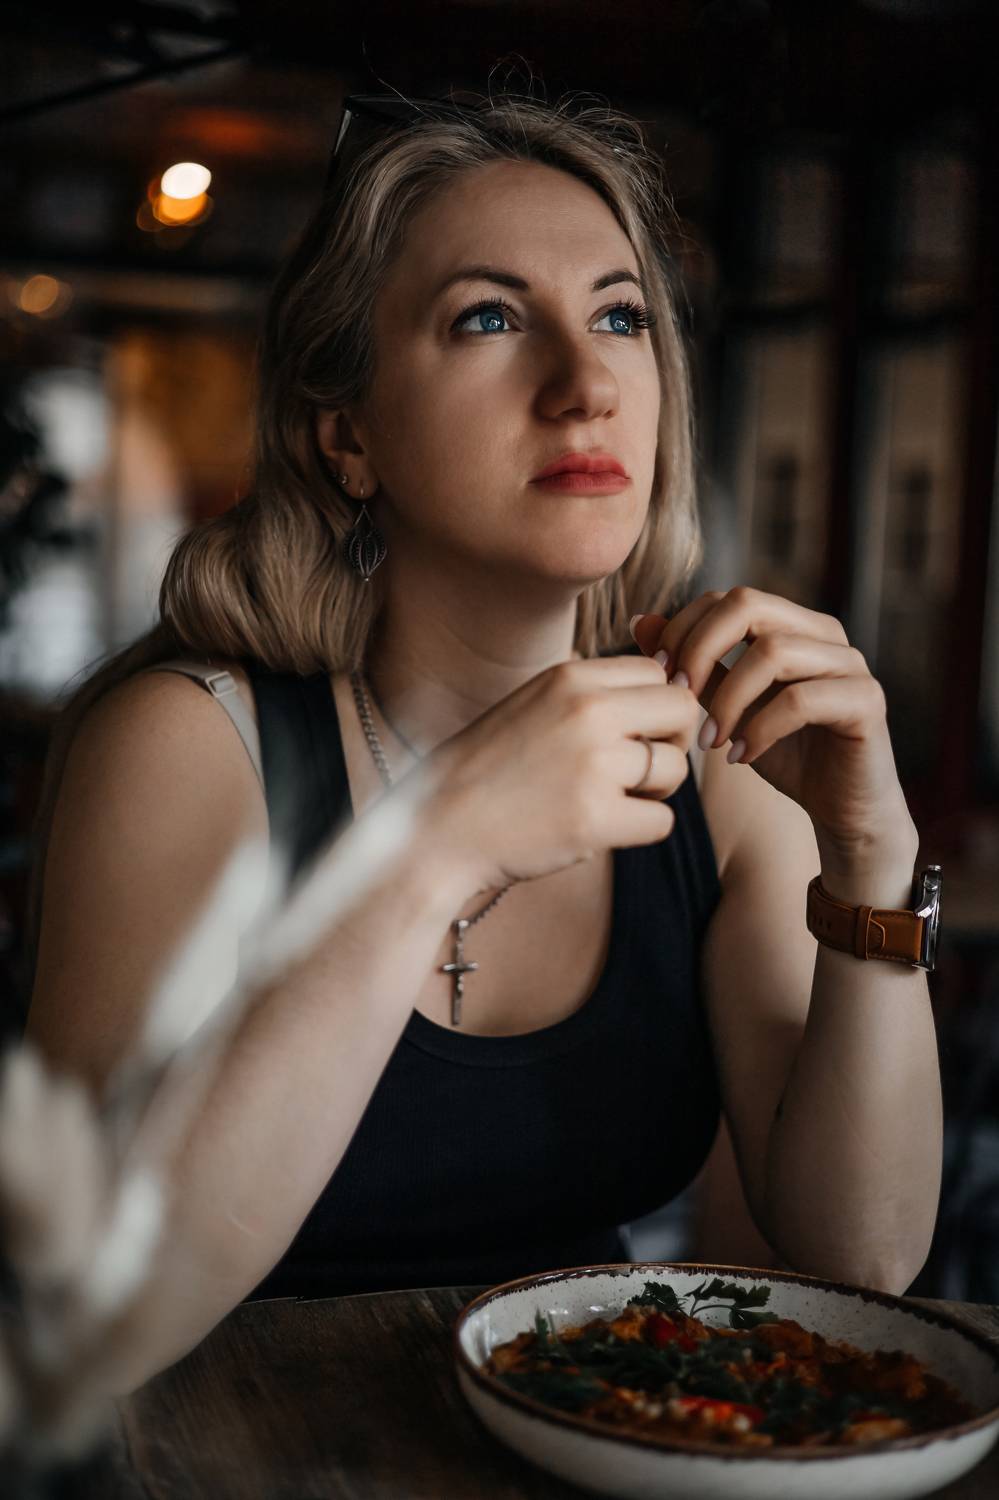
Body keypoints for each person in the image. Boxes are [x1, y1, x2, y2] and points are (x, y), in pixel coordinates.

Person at [23, 89, 942, 1385]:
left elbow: (867, 1254)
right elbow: (78, 1311)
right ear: (347, 434)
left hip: (575, 1450)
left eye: (621, 317)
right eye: (490, 319)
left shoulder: (723, 775)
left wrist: (871, 858)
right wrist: (434, 850)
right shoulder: (194, 746)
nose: (587, 385)